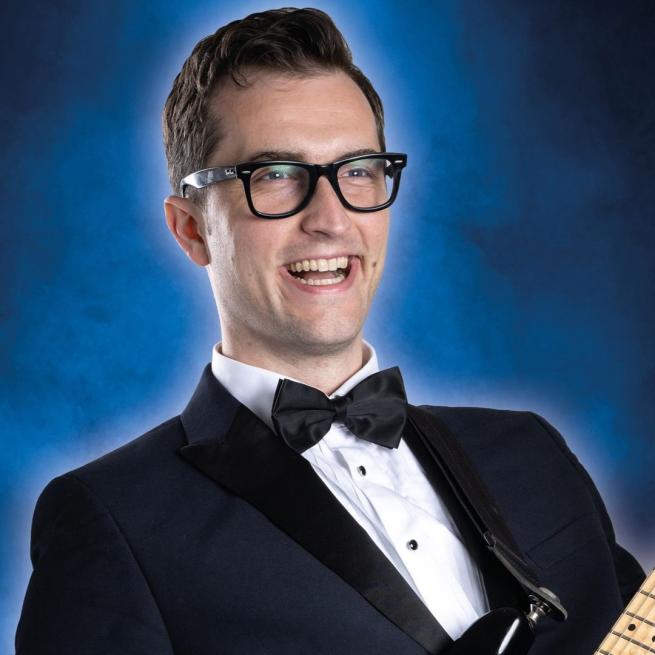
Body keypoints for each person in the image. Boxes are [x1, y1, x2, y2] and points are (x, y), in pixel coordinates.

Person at [15, 7, 644, 655]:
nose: (330, 217)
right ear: (191, 227)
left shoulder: (532, 449)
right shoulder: (112, 517)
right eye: (277, 177)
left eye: (356, 170)